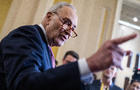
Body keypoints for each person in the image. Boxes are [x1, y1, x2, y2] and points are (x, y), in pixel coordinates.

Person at [0, 2, 137, 90]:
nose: (69, 31)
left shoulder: (47, 50)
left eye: (73, 28)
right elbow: (24, 85)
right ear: (49, 18)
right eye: (66, 22)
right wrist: (88, 64)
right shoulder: (28, 35)